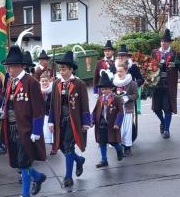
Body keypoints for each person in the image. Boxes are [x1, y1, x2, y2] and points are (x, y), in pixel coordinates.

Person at [0, 45, 47, 197]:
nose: (8, 69)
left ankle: (25, 195)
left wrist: (37, 130)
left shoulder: (31, 82)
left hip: (26, 129)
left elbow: (39, 109)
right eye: (7, 66)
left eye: (10, 66)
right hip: (11, 126)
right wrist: (2, 112)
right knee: (18, 162)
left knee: (24, 161)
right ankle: (38, 177)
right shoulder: (10, 82)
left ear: (19, 66)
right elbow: (8, 101)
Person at [48, 51, 90, 187]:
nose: (62, 71)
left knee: (68, 145)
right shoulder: (56, 84)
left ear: (71, 69)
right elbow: (52, 104)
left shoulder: (79, 84)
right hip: (60, 120)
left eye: (64, 68)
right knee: (60, 146)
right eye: (60, 68)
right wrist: (50, 120)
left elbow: (85, 105)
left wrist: (86, 122)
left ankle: (68, 177)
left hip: (74, 121)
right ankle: (78, 160)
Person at [151, 29, 180, 139]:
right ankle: (163, 122)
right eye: (162, 41)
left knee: (167, 108)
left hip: (169, 86)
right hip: (156, 85)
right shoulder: (155, 53)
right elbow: (149, 68)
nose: (163, 43)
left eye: (165, 41)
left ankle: (166, 130)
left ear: (169, 43)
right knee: (156, 108)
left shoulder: (175, 54)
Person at [92, 71, 125, 167]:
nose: (104, 91)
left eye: (106, 89)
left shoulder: (116, 99)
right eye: (102, 89)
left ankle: (119, 149)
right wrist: (92, 121)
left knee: (113, 142)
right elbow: (95, 111)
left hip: (112, 125)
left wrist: (117, 123)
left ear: (111, 88)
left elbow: (120, 112)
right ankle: (104, 160)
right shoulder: (100, 100)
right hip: (102, 124)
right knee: (102, 143)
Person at [113, 60, 138, 156]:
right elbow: (111, 93)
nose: (119, 73)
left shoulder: (132, 83)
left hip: (127, 109)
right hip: (117, 110)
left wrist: (128, 98)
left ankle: (127, 148)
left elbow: (136, 95)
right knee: (119, 128)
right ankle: (119, 146)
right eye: (117, 71)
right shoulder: (114, 82)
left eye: (121, 71)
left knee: (127, 129)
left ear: (126, 71)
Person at [116, 44, 144, 116]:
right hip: (117, 93)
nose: (120, 58)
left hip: (130, 93)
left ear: (127, 57)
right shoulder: (114, 67)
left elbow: (141, 79)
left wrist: (133, 85)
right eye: (119, 56)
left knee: (129, 117)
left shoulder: (133, 66)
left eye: (122, 56)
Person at [40, 72, 53, 146]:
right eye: (43, 81)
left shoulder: (52, 90)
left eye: (46, 81)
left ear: (49, 81)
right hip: (42, 114)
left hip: (49, 114)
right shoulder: (39, 90)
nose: (44, 83)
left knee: (51, 132)